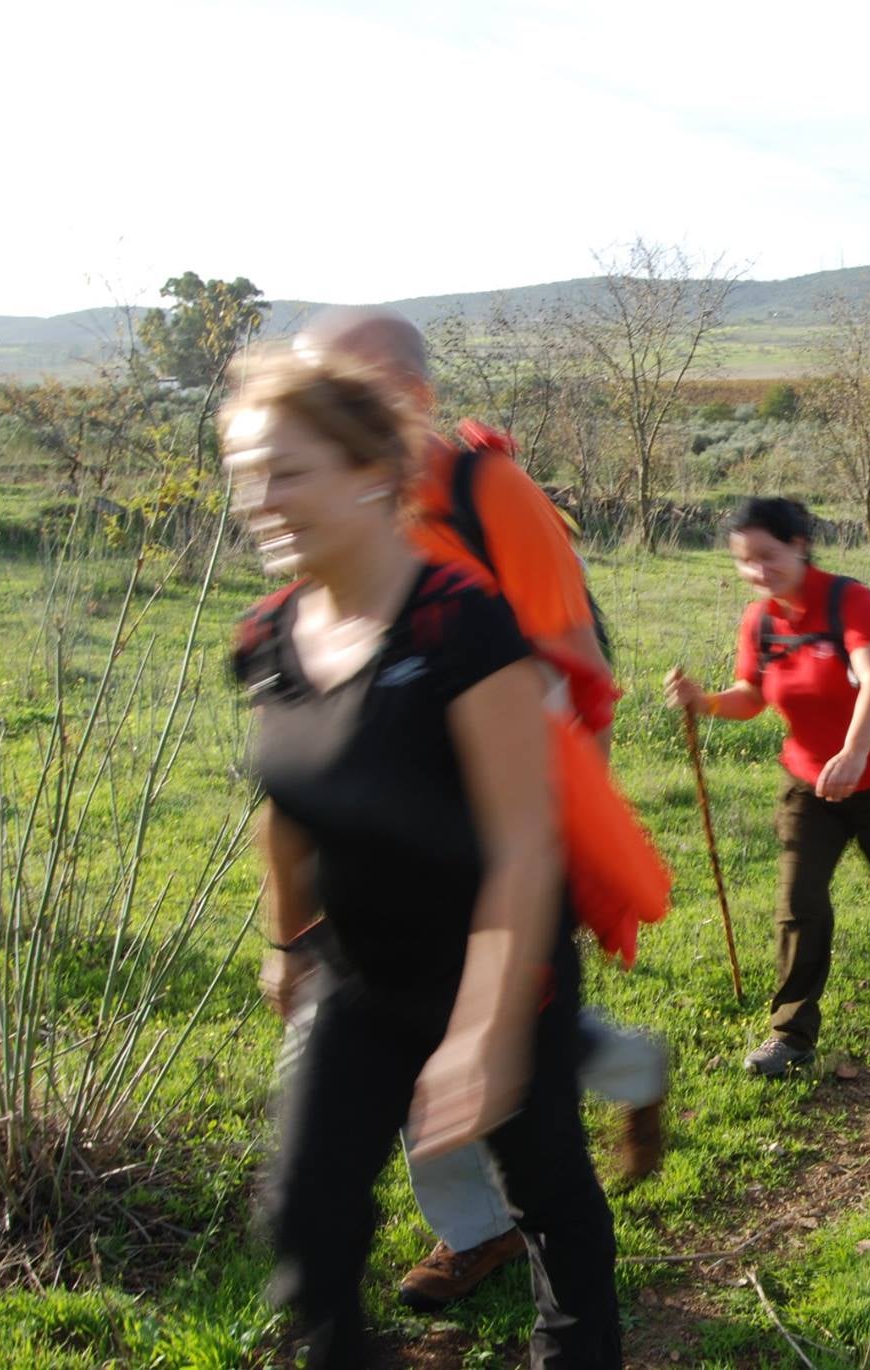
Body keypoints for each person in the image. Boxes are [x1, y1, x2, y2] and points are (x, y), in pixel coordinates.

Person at [224, 350, 620, 1367]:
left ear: (367, 470)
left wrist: (484, 1032)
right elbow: (290, 803)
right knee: (305, 1219)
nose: (256, 499)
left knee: (546, 1199)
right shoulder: (267, 635)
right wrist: (285, 938)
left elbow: (523, 838)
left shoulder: (455, 617)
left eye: (283, 469)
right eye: (241, 472)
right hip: (359, 973)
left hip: (498, 961)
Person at [293, 307, 666, 1312]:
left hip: (499, 835)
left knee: (521, 1059)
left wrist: (553, 847)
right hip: (385, 844)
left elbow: (573, 674)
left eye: (341, 390)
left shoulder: (485, 491)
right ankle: (475, 1228)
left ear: (413, 395)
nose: (315, 418)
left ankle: (617, 1082)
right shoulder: (328, 500)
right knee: (416, 1041)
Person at [664, 498, 870, 1079]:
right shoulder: (761, 621)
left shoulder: (847, 601)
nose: (757, 572)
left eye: (767, 557)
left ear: (799, 544)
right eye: (745, 562)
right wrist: (703, 702)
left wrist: (854, 752)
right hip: (808, 784)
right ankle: (791, 1033)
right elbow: (751, 696)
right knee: (798, 903)